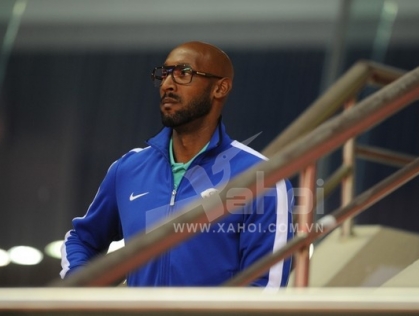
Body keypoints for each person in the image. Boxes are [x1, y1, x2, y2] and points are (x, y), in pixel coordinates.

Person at [60, 41, 294, 288]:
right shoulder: (128, 169)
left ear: (220, 88)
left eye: (183, 73)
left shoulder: (262, 177)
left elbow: (265, 290)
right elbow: (82, 240)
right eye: (164, 73)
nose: (167, 84)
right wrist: (80, 291)